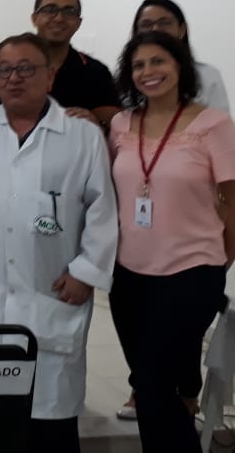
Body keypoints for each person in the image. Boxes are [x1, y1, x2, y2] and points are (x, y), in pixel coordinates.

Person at [0, 33, 118, 453]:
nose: (14, 78)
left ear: (50, 76)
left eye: (26, 68)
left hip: (56, 289)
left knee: (52, 420)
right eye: (4, 70)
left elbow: (102, 208)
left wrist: (87, 271)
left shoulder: (82, 136)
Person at [109, 31, 235, 452]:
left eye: (158, 61)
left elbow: (232, 202)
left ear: (180, 66)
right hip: (128, 276)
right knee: (150, 386)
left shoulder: (213, 124)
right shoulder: (121, 125)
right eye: (139, 65)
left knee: (152, 382)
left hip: (191, 273)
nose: (149, 71)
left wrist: (220, 262)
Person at [31, 0, 120, 127]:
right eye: (50, 10)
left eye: (69, 11)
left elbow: (112, 123)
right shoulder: (10, 67)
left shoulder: (96, 72)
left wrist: (95, 122)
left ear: (78, 23)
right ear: (34, 18)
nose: (59, 18)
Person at [131, 0, 228, 112]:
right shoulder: (127, 78)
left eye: (164, 23)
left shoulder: (207, 75)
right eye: (146, 25)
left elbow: (220, 120)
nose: (155, 29)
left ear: (182, 30)